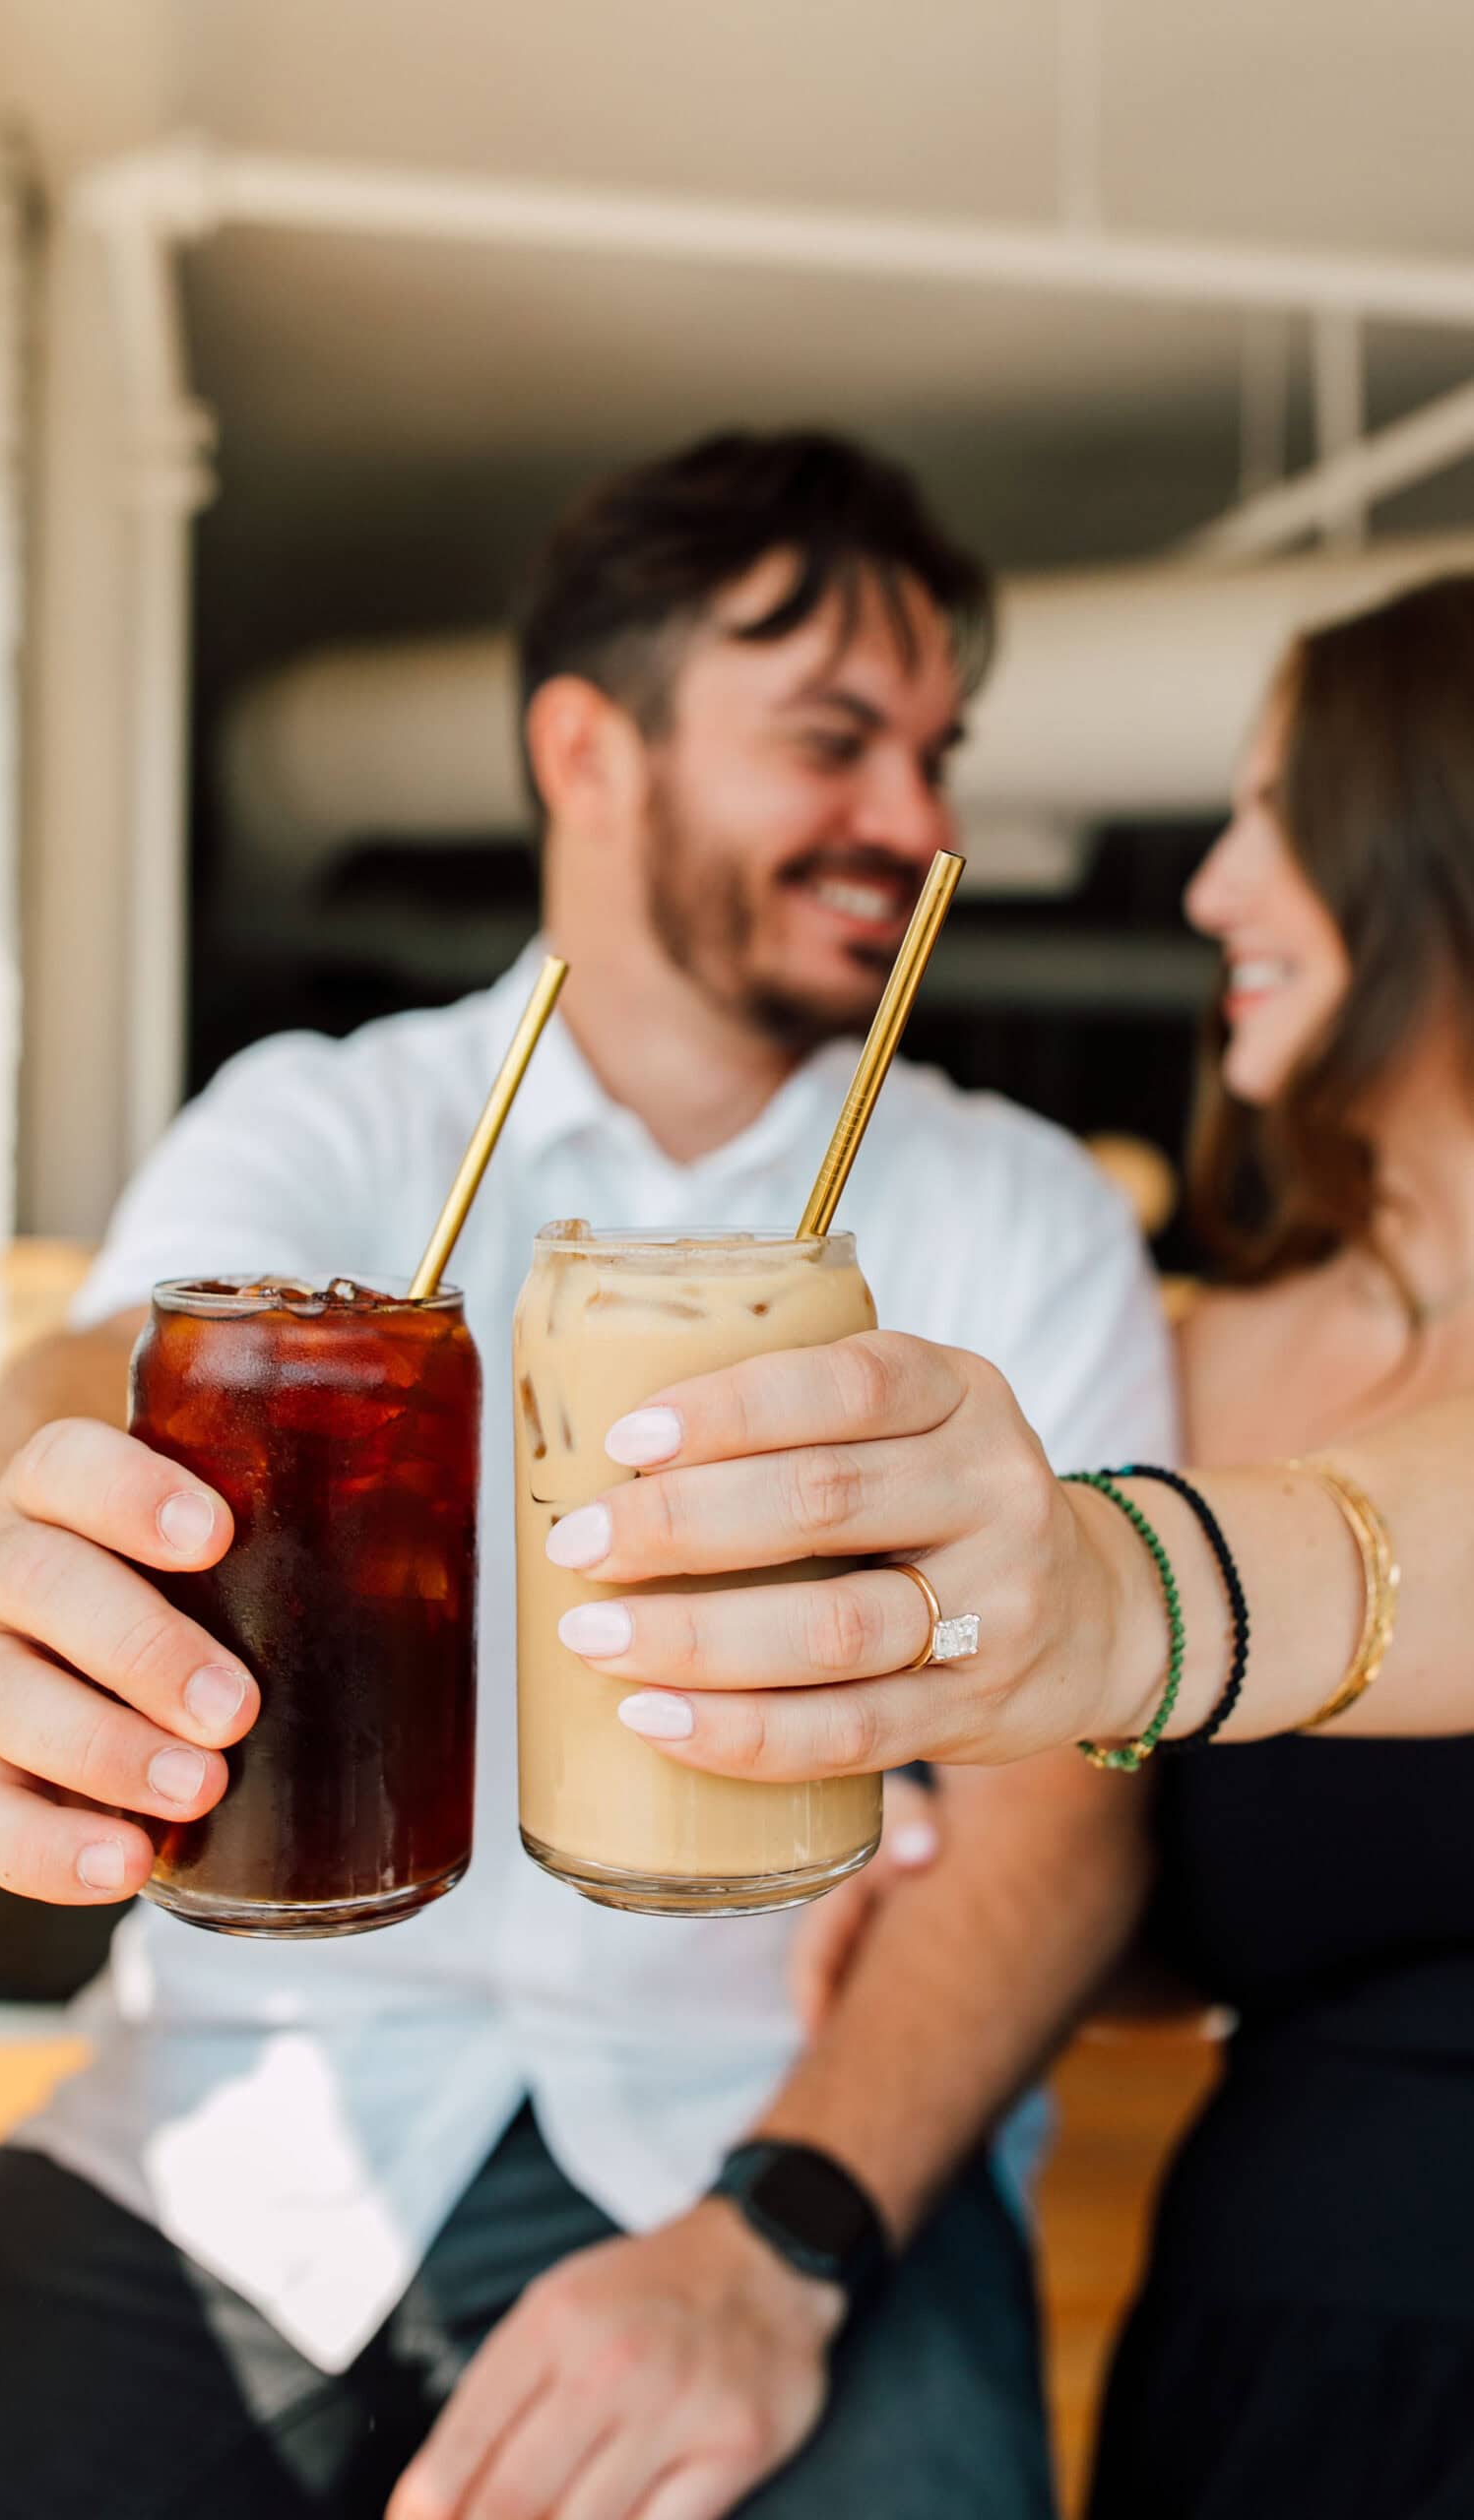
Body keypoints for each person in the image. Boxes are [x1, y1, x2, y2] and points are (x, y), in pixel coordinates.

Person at [0, 431, 1176, 2520]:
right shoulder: (339, 1121)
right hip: (256, 2134)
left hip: (771, 2151)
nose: (914, 816)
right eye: (830, 740)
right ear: (583, 748)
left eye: (932, 750)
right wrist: (33, 1522)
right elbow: (100, 1363)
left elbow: (1064, 1816)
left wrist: (778, 2241)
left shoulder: (1023, 1219)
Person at [539, 575, 1474, 2517]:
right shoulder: (1207, 1354)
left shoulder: (1137, 1501)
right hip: (1267, 2355)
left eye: (1273, 811)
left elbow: (1250, 1582)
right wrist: (978, 1872)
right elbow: (1230, 1901)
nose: (1208, 889)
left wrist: (1109, 1597)